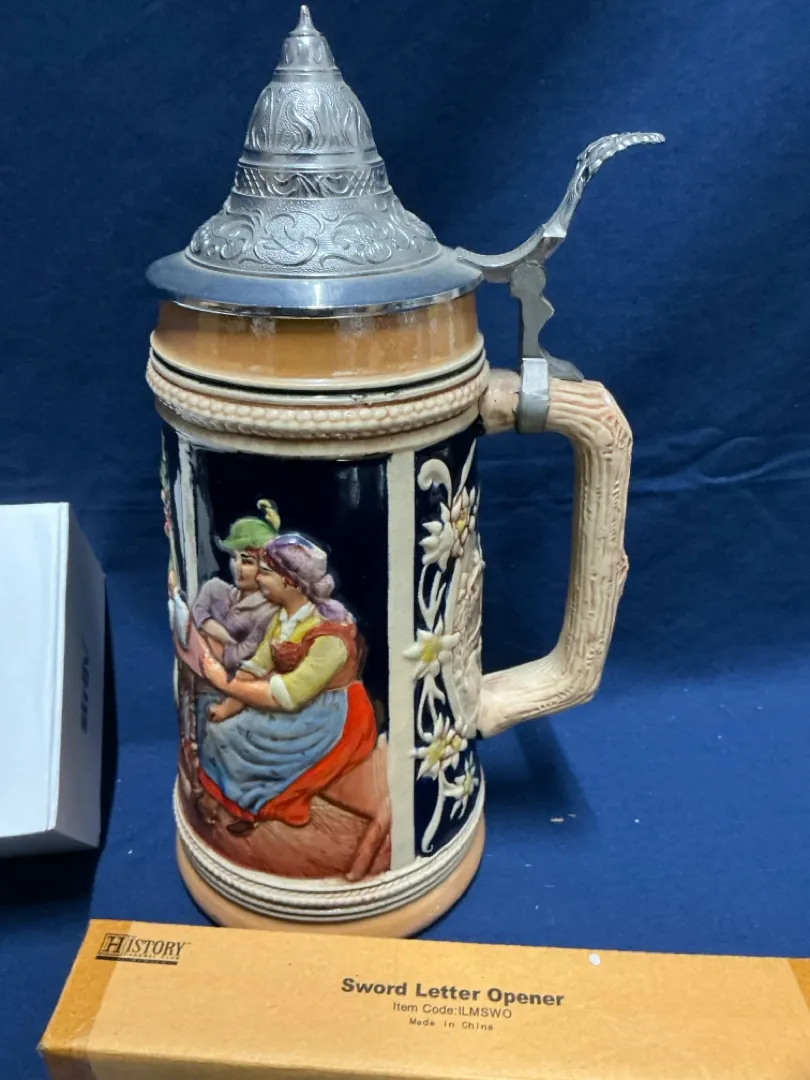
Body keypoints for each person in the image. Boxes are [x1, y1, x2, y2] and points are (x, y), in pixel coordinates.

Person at [178, 534, 377, 833]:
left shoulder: (330, 634)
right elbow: (257, 667)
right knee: (218, 722)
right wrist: (229, 706)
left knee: (239, 739)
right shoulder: (283, 618)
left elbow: (288, 695)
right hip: (293, 701)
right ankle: (237, 803)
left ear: (290, 581)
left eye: (266, 572)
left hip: (332, 716)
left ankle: (254, 806)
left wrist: (224, 683)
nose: (258, 578)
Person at [190, 500, 280, 675]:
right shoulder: (215, 588)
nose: (237, 567)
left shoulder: (269, 611)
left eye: (247, 561)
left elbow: (238, 658)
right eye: (233, 557)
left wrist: (203, 638)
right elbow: (195, 611)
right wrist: (223, 636)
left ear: (266, 566)